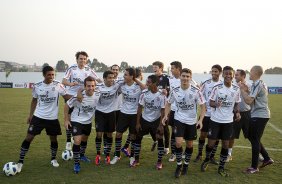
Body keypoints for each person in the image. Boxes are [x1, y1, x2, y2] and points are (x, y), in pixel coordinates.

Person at [17, 66, 71, 173]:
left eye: (53, 74)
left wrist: (80, 97)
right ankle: (20, 161)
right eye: (49, 75)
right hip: (38, 117)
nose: (51, 77)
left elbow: (67, 98)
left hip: (52, 118)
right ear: (44, 75)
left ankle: (53, 159)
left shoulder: (58, 85)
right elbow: (34, 100)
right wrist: (30, 115)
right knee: (29, 137)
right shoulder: (37, 86)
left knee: (53, 139)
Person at [162, 68, 206, 178]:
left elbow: (203, 106)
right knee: (178, 143)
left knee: (190, 144)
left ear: (190, 78)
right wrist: (165, 116)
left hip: (191, 121)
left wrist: (200, 120)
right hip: (179, 119)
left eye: (187, 76)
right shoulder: (175, 90)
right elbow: (168, 103)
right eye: (183, 76)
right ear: (180, 77)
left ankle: (186, 165)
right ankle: (179, 165)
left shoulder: (196, 91)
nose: (185, 78)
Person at [201, 66, 241, 177]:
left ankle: (221, 167)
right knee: (211, 143)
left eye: (230, 74)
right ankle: (207, 159)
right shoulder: (217, 88)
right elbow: (210, 102)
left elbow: (237, 102)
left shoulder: (236, 89)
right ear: (223, 75)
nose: (228, 75)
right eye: (226, 74)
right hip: (215, 120)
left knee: (225, 144)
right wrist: (216, 104)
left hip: (228, 122)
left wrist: (237, 112)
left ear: (233, 75)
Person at [62, 51, 101, 152]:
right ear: (77, 59)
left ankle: (76, 140)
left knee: (81, 115)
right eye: (80, 59)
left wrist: (107, 83)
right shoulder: (72, 68)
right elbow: (63, 81)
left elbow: (98, 80)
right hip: (71, 95)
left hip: (84, 97)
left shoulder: (88, 69)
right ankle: (68, 141)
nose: (82, 61)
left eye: (84, 59)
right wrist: (71, 84)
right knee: (69, 119)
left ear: (86, 60)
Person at [239, 65, 274, 174]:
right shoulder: (259, 83)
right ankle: (267, 158)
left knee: (254, 140)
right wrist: (246, 90)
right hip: (259, 114)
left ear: (254, 72)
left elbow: (249, 101)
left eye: (250, 71)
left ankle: (254, 167)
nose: (249, 73)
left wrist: (242, 90)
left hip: (260, 115)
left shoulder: (258, 84)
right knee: (252, 136)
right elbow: (253, 97)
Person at [64, 76, 99, 173]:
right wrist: (66, 120)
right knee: (77, 141)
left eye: (92, 86)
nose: (90, 88)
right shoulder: (78, 96)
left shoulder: (98, 94)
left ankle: (82, 155)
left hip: (88, 122)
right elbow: (67, 105)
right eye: (88, 86)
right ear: (84, 86)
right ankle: (76, 163)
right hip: (77, 120)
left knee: (84, 139)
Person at [131, 75, 166, 170]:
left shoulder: (161, 95)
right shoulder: (144, 93)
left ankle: (159, 162)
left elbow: (163, 110)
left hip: (156, 120)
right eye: (147, 81)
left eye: (149, 82)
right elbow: (139, 108)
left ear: (155, 83)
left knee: (159, 139)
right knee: (138, 138)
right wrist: (138, 123)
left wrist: (161, 125)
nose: (147, 84)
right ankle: (136, 160)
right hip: (145, 119)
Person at [110, 68, 143, 165]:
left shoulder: (138, 86)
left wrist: (136, 80)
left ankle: (132, 156)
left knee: (133, 135)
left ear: (132, 76)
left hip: (134, 115)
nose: (124, 76)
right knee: (118, 134)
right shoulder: (122, 85)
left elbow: (145, 88)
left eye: (126, 75)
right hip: (123, 113)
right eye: (124, 74)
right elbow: (113, 85)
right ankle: (117, 155)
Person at [194, 65, 222, 165]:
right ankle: (200, 154)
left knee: (215, 137)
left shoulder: (222, 84)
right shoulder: (206, 83)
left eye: (216, 71)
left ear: (220, 72)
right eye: (212, 71)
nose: (213, 73)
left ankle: (211, 156)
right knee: (202, 135)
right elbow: (199, 94)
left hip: (217, 115)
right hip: (205, 114)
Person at [94, 70, 124, 165]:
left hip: (111, 113)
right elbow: (87, 90)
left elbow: (126, 80)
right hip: (100, 113)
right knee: (99, 134)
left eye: (113, 77)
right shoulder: (98, 87)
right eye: (109, 78)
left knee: (110, 134)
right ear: (104, 79)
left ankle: (107, 154)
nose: (112, 79)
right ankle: (98, 154)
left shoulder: (116, 85)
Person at [226, 69, 251, 162]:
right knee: (231, 135)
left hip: (246, 113)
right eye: (235, 75)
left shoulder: (249, 85)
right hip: (234, 113)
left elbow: (252, 98)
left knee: (251, 135)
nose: (235, 76)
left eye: (237, 75)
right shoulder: (232, 85)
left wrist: (246, 90)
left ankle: (259, 153)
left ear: (243, 76)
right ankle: (229, 154)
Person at [152, 61, 170, 154]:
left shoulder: (166, 78)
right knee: (155, 126)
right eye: (153, 67)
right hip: (154, 106)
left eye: (155, 67)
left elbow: (169, 91)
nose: (154, 68)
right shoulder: (152, 78)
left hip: (164, 106)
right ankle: (158, 144)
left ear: (161, 68)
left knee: (165, 127)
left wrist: (166, 92)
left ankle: (166, 147)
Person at [167, 61, 182, 162]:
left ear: (178, 69)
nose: (171, 70)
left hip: (183, 111)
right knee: (173, 131)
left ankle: (180, 151)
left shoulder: (186, 79)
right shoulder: (170, 80)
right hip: (173, 109)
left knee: (181, 133)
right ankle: (173, 153)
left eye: (172, 68)